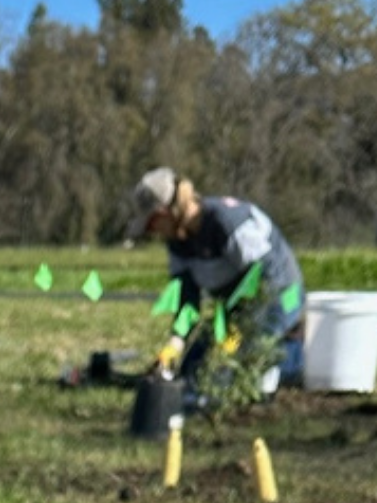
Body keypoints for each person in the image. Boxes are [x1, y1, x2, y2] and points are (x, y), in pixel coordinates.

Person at [129, 168, 305, 394]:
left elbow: (268, 279)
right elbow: (187, 301)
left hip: (279, 301)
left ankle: (291, 356)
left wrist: (237, 336)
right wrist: (175, 343)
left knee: (229, 374)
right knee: (193, 373)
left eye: (151, 224)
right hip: (238, 312)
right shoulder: (177, 242)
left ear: (166, 213)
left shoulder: (228, 223)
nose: (152, 232)